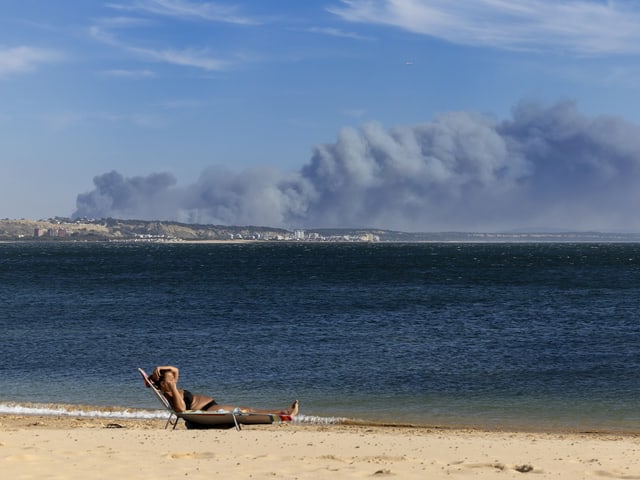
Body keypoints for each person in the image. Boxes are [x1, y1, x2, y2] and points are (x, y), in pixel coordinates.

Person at [148, 365, 299, 416]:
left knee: (245, 408)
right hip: (208, 410)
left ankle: (283, 412)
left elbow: (175, 369)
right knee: (245, 409)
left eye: (173, 379)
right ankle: (284, 412)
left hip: (211, 404)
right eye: (170, 379)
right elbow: (180, 410)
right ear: (163, 384)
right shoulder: (169, 393)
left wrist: (161, 368)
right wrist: (173, 387)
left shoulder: (170, 385)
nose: (174, 379)